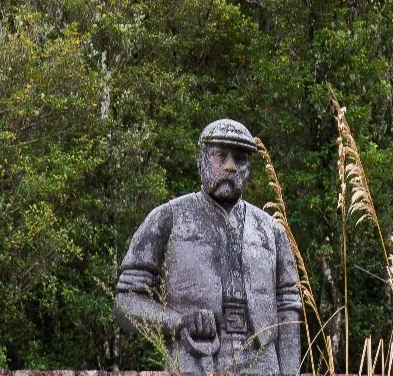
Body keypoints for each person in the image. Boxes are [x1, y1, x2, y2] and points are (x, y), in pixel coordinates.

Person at [115, 120, 303, 374]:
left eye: (240, 159)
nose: (230, 167)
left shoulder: (272, 230)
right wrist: (178, 323)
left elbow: (288, 307)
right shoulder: (168, 219)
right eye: (220, 156)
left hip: (263, 365)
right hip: (194, 361)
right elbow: (126, 301)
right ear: (202, 159)